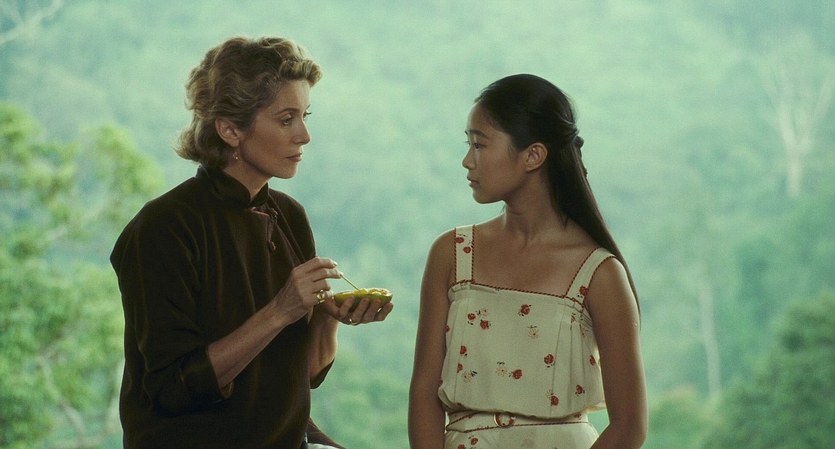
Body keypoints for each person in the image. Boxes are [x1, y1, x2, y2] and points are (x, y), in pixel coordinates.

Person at [110, 36, 393, 449]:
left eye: (305, 116)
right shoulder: (163, 227)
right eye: (286, 119)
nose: (304, 135)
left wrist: (327, 317)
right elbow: (173, 389)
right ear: (230, 130)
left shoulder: (289, 216)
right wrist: (280, 311)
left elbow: (304, 375)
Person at [408, 74, 647, 449]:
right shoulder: (452, 254)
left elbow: (629, 425)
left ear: (533, 155)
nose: (467, 161)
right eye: (468, 145)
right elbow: (424, 394)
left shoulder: (599, 273)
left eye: (479, 145)